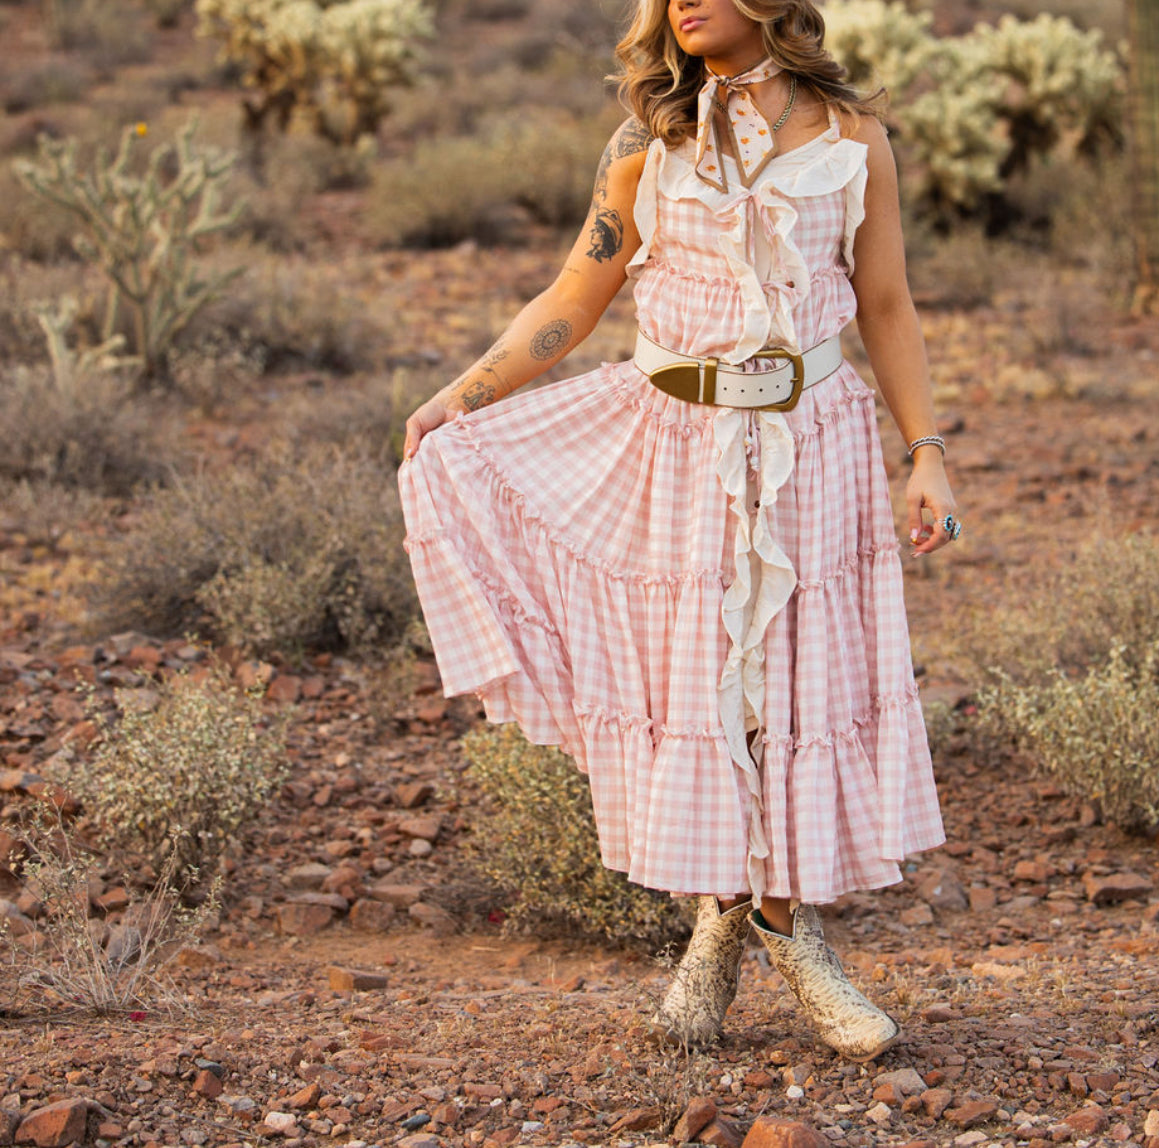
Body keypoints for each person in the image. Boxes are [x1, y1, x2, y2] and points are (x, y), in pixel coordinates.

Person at [399, 0, 958, 1062]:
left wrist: (925, 449)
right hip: (677, 440)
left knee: (796, 682)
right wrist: (457, 399)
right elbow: (576, 292)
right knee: (702, 681)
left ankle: (789, 927)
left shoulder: (852, 137)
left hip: (817, 437)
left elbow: (886, 303)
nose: (679, 1)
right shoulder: (643, 141)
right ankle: (722, 913)